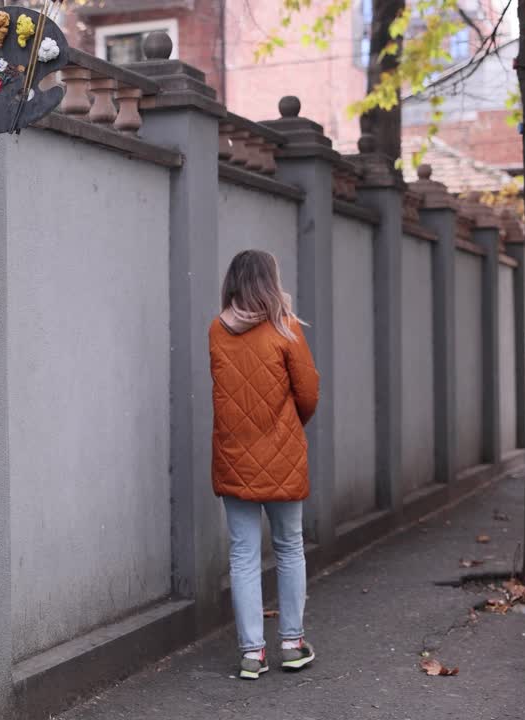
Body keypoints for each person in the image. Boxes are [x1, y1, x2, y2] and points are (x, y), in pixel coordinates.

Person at [209, 249, 320, 680]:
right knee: (289, 547)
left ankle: (252, 654)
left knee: (242, 554)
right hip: (283, 456)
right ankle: (291, 644)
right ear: (270, 282)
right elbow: (308, 393)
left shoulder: (217, 330)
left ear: (233, 281)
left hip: (234, 457)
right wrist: (287, 427)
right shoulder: (286, 329)